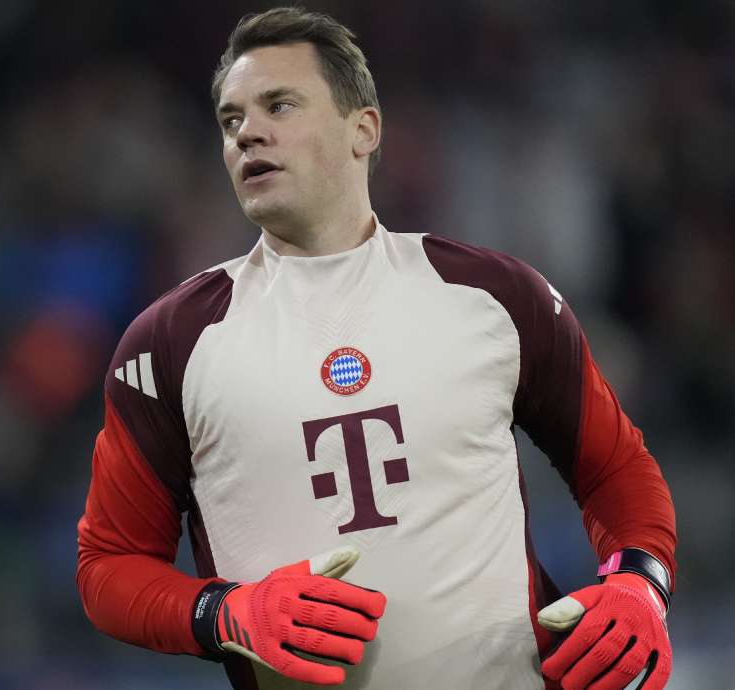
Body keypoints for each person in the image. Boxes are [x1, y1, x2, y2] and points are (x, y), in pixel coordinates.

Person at [75, 6, 676, 690]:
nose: (248, 134)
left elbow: (615, 467)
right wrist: (224, 613)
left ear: (364, 129)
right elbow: (108, 564)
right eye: (230, 119)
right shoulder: (169, 343)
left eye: (280, 105)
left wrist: (639, 584)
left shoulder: (496, 296)